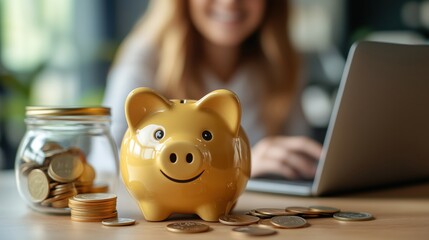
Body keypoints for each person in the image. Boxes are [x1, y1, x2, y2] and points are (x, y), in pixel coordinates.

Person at [103, 0, 322, 180]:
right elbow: (108, 164)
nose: (230, 3)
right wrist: (241, 165)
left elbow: (298, 152)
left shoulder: (281, 61)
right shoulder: (145, 59)